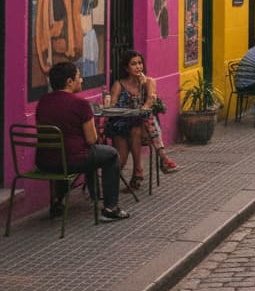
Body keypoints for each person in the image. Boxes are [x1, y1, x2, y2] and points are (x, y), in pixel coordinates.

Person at [35, 61, 129, 221]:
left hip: (45, 160)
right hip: (73, 160)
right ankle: (110, 208)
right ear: (69, 81)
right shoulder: (80, 104)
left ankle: (57, 201)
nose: (82, 80)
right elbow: (92, 139)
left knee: (66, 154)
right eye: (79, 77)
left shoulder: (43, 102)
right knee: (111, 154)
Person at [109, 50, 179, 185]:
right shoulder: (119, 84)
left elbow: (150, 101)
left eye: (140, 63)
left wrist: (142, 88)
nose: (138, 67)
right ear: (126, 68)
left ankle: (139, 170)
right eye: (133, 64)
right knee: (121, 160)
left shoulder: (149, 82)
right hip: (122, 124)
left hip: (143, 126)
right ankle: (161, 158)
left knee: (141, 122)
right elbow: (112, 105)